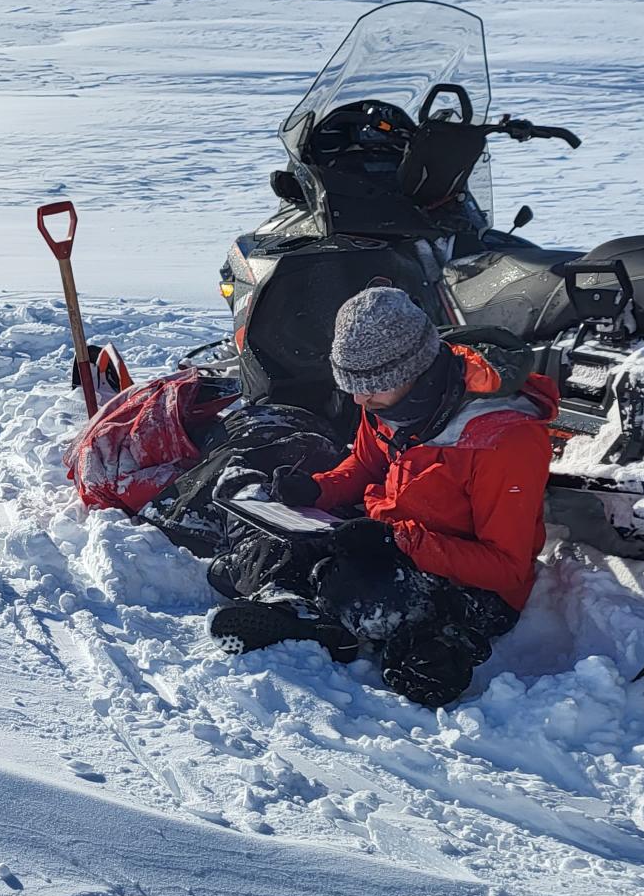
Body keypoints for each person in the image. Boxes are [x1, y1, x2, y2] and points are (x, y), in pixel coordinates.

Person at [207, 284, 557, 707]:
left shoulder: (505, 441)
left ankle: (321, 613)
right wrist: (318, 488)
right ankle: (293, 603)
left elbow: (507, 569)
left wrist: (398, 541)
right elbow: (365, 464)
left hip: (470, 582)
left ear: (414, 371)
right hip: (390, 536)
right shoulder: (392, 402)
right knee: (281, 535)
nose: (359, 398)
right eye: (353, 386)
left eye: (371, 387)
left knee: (365, 589)